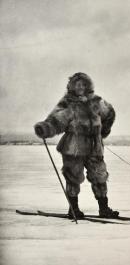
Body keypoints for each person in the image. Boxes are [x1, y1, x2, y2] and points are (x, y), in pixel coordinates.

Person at [34, 72, 119, 218]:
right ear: (72, 86)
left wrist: (102, 132)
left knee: (100, 177)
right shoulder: (67, 103)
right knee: (73, 177)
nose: (80, 87)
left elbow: (109, 114)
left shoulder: (97, 102)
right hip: (74, 148)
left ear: (88, 86)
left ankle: (104, 209)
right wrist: (45, 128)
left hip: (94, 148)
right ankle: (74, 210)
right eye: (77, 84)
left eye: (83, 84)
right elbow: (56, 120)